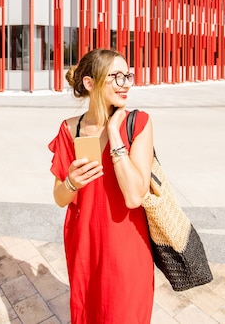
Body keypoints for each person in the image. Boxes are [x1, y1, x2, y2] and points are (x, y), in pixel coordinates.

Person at [48, 49, 155, 323]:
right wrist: (72, 181)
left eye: (128, 75)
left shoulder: (137, 123)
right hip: (84, 245)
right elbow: (60, 198)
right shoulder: (69, 129)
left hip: (127, 246)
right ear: (90, 83)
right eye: (117, 77)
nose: (126, 83)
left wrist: (116, 134)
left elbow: (134, 196)